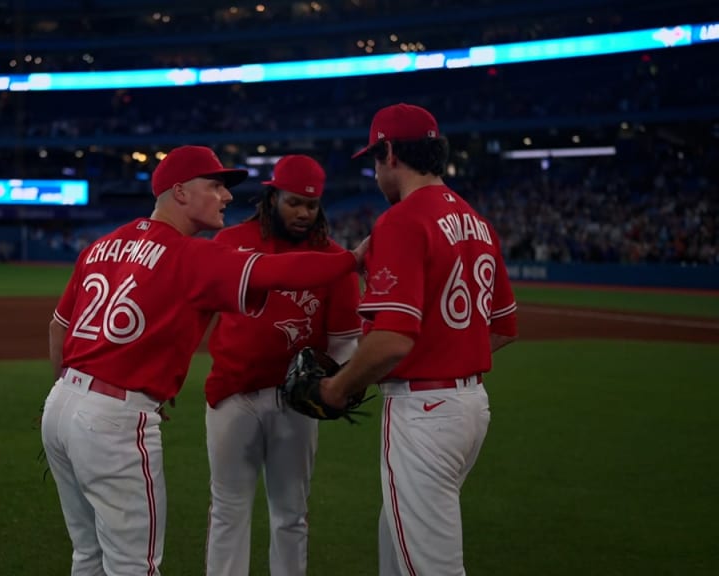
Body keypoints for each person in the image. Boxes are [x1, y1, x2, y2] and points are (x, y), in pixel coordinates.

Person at [41, 145, 368, 576]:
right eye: (215, 186)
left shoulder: (104, 244)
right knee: (134, 566)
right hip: (112, 418)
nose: (227, 197)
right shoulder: (190, 255)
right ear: (180, 192)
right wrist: (352, 259)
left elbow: (58, 329)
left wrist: (83, 396)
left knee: (87, 556)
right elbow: (279, 272)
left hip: (61, 406)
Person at [318, 104, 520, 576]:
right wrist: (443, 356)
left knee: (430, 567)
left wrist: (338, 386)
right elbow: (503, 328)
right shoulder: (477, 221)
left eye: (374, 158)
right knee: (398, 547)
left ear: (389, 152)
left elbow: (391, 341)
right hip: (470, 407)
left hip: (424, 413)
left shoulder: (403, 220)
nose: (374, 171)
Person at [203, 154, 362, 576]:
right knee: (228, 509)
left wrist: (336, 383)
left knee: (291, 514)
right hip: (231, 394)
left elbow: (346, 339)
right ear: (272, 197)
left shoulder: (335, 261)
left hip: (296, 403)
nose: (304, 213)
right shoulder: (230, 243)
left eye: (311, 206)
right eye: (294, 202)